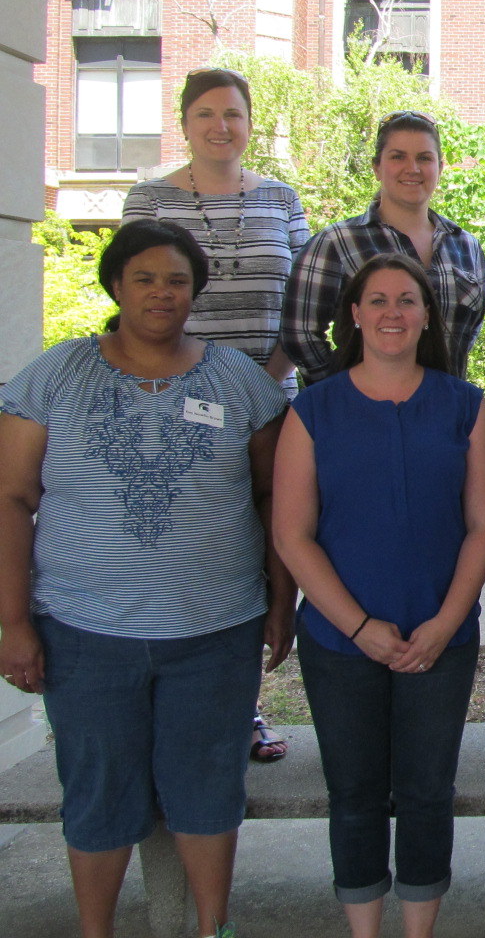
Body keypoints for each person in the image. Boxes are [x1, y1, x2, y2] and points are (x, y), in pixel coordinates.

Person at [0, 218, 290, 938]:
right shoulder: (54, 375)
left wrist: (282, 604)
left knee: (208, 790)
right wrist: (12, 621)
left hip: (215, 632)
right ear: (116, 286)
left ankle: (211, 927)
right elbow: (10, 496)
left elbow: (273, 499)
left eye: (178, 280)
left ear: (197, 291)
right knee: (98, 794)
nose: (162, 293)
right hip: (84, 632)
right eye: (145, 278)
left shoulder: (240, 382)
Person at [272, 253, 485, 938]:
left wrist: (444, 623)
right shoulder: (313, 409)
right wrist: (360, 625)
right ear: (354, 315)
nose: (393, 313)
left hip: (443, 637)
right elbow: (293, 536)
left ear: (427, 315)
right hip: (341, 644)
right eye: (377, 300)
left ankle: (418, 931)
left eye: (407, 300)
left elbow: (484, 524)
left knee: (429, 795)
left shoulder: (465, 404)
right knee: (355, 796)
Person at [121, 65, 307, 764]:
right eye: (206, 113)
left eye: (233, 113)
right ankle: (168, 700)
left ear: (249, 122)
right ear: (185, 120)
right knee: (186, 540)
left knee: (261, 541)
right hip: (171, 402)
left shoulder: (282, 199)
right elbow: (136, 296)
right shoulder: (150, 198)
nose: (220, 126)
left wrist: (263, 383)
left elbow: (303, 301)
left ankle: (243, 707)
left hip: (269, 397)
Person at [282, 109, 485, 385]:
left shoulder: (466, 246)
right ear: (377, 167)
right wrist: (342, 392)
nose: (412, 168)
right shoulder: (336, 243)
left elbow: (468, 333)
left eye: (424, 158)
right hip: (361, 420)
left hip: (447, 415)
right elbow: (299, 334)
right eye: (398, 157)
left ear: (440, 167)